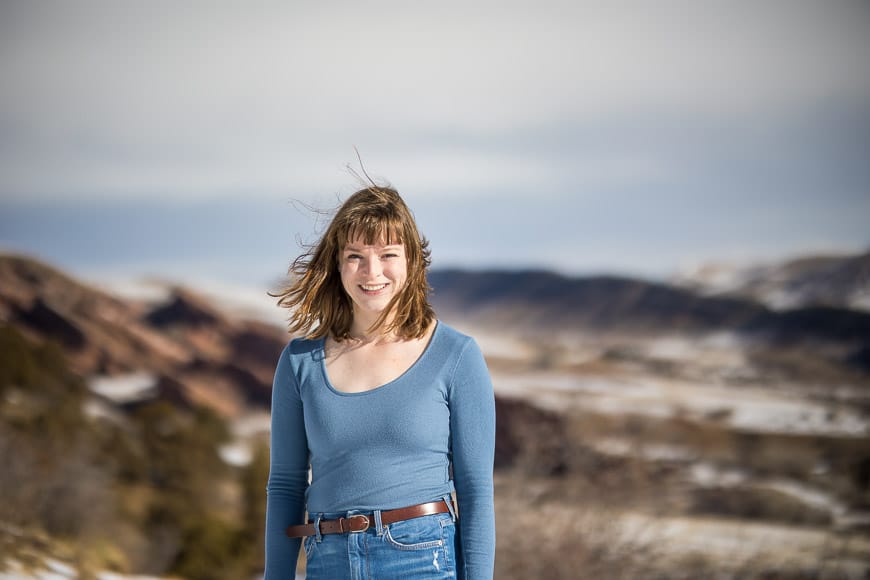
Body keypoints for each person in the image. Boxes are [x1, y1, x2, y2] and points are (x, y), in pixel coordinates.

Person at [265, 185, 496, 579]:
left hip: (422, 557)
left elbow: (475, 491)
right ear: (337, 265)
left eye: (388, 255)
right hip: (329, 560)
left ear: (411, 262)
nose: (372, 273)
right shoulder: (300, 362)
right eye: (356, 256)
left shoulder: (456, 356)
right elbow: (286, 485)